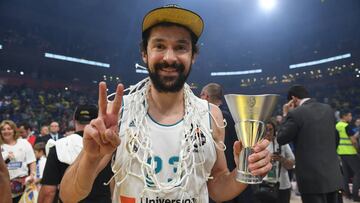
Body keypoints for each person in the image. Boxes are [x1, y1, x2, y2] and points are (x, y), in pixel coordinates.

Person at [59, 5, 272, 203]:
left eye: (181, 47)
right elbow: (68, 196)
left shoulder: (211, 115)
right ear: (145, 53)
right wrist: (90, 156)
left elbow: (217, 187)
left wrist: (244, 172)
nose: (169, 57)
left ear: (193, 56)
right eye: (159, 46)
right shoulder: (121, 112)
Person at [277, 85, 343, 203]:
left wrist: (285, 115)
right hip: (333, 176)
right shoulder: (328, 109)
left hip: (311, 180)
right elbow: (336, 138)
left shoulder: (296, 113)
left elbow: (281, 138)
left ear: (293, 99)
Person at [38, 104, 113, 203]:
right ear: (98, 120)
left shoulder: (59, 146)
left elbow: (48, 191)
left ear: (74, 120)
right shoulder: (110, 146)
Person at [200, 82, 255, 203]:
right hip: (234, 182)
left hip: (225, 184)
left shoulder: (216, 118)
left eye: (200, 96)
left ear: (205, 96)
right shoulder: (233, 115)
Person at [254, 121, 295, 203]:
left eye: (270, 130)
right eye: (266, 130)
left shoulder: (281, 143)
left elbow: (292, 164)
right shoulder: (257, 145)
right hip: (263, 185)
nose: (268, 132)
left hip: (282, 186)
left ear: (274, 130)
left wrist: (282, 159)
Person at [0, 120, 36, 203]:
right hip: (3, 186)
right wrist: (6, 158)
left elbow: (32, 161)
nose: (6, 131)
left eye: (9, 129)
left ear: (14, 130)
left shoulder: (24, 143)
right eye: (3, 129)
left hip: (23, 185)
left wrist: (32, 174)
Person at [336, 110, 360, 201]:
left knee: (345, 174)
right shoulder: (347, 126)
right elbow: (353, 140)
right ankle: (355, 196)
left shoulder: (337, 125)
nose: (351, 118)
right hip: (350, 152)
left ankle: (347, 194)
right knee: (358, 172)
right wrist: (357, 149)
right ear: (344, 116)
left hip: (341, 152)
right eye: (349, 115)